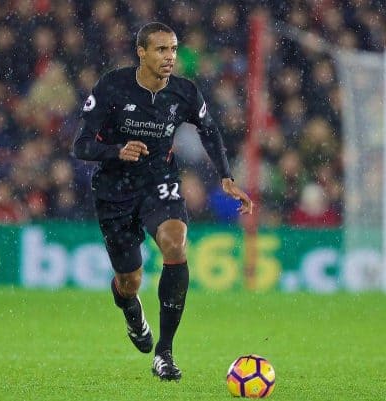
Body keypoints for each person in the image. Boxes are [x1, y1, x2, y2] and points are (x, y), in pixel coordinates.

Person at [72, 22, 252, 381]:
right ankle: (131, 310)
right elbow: (81, 145)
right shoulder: (112, 86)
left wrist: (226, 176)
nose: (170, 57)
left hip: (159, 181)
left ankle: (165, 353)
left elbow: (209, 131)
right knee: (129, 281)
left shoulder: (184, 92)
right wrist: (116, 150)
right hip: (114, 190)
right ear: (141, 52)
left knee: (175, 244)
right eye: (161, 50)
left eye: (173, 50)